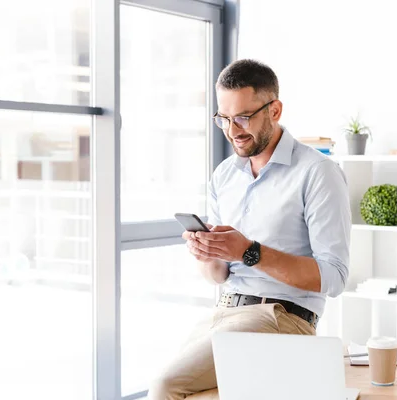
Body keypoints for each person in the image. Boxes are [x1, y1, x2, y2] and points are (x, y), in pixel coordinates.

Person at [148, 59, 351, 400]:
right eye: (223, 119)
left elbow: (334, 276)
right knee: (174, 383)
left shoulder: (318, 172)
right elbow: (218, 275)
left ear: (275, 110)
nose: (232, 130)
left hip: (282, 317)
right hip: (226, 311)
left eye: (243, 117)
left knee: (167, 387)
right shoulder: (225, 175)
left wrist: (247, 251)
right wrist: (207, 252)